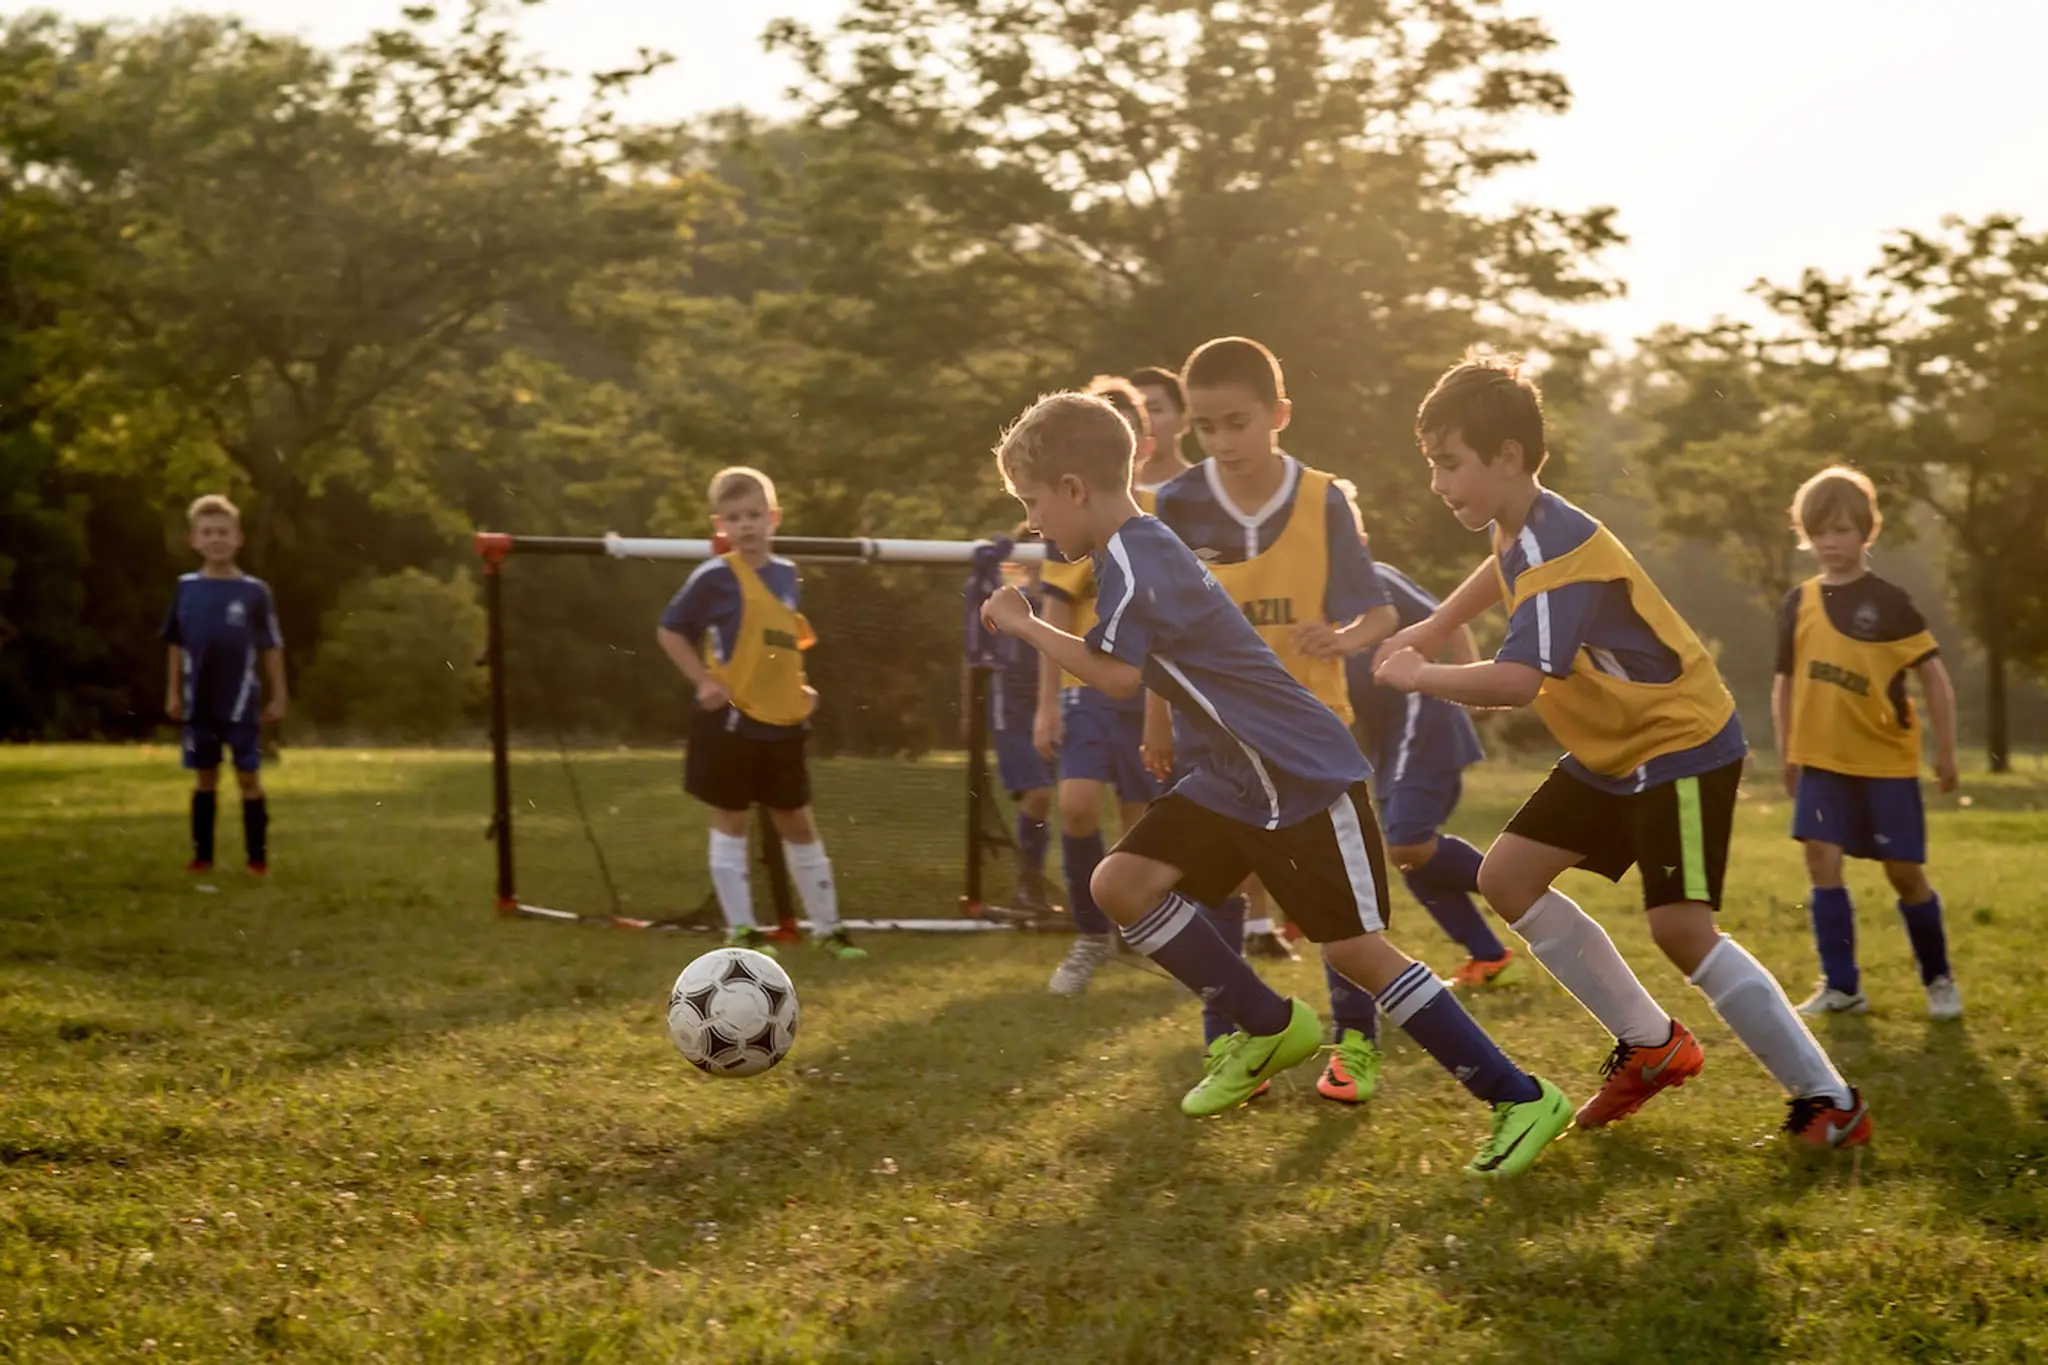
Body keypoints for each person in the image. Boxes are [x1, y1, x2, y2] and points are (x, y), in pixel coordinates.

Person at [983, 389, 1572, 1175]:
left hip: (1297, 775)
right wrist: (1164, 726)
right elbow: (1163, 664)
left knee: (1359, 952)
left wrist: (1026, 624)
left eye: (1032, 503)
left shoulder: (1137, 555)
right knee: (1120, 882)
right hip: (1229, 779)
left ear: (1072, 488)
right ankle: (1265, 1023)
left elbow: (1117, 675)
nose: (1032, 524)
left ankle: (1519, 1095)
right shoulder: (1133, 552)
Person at [1374, 353, 1871, 1150]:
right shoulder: (1523, 523)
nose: (1438, 481)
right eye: (1432, 462)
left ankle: (1829, 1101)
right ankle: (1652, 1045)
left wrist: (1419, 671)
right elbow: (1500, 569)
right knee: (1506, 875)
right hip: (1614, 751)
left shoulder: (1557, 549)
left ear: (1506, 457)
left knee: (1681, 928)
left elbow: (1516, 683)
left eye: (1448, 463)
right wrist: (1433, 623)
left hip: (1681, 745)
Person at [1148, 336, 1398, 1103]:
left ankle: (1355, 1042)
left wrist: (1346, 636)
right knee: (1207, 889)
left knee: (1328, 907)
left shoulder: (1324, 497)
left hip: (1309, 738)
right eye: (1207, 427)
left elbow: (1379, 609)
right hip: (1213, 738)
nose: (1222, 442)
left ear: (1278, 415)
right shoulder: (1176, 504)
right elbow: (1158, 627)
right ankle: (1233, 1042)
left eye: (1237, 423)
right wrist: (1157, 723)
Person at [1774, 465, 1962, 1020]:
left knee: (1902, 871)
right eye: (1820, 532)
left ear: (1866, 532)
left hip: (1885, 761)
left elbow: (1934, 677)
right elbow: (1784, 683)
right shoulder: (1798, 603)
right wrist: (1788, 751)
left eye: (1842, 530)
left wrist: (1945, 752)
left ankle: (1939, 978)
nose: (1831, 543)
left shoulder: (1891, 602)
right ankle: (1842, 986)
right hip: (1822, 762)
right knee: (1820, 859)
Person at [656, 466, 866, 961]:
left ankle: (829, 929)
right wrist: (704, 681)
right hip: (732, 721)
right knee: (731, 819)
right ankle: (742, 930)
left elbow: (780, 643)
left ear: (772, 517)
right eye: (733, 518)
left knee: (797, 821)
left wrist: (800, 688)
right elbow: (670, 631)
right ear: (719, 526)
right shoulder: (714, 576)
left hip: (783, 724)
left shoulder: (787, 575)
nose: (745, 525)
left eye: (753, 515)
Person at [1037, 377, 1189, 994]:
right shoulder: (1074, 520)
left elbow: (1167, 630)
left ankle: (1148, 937)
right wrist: (1046, 702)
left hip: (1145, 696)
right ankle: (1089, 932)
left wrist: (1161, 708)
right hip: (1086, 692)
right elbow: (1053, 611)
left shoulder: (1155, 521)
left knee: (1137, 826)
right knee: (1074, 805)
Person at [1346, 559, 1521, 991]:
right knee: (1408, 856)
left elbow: (1450, 621)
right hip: (1387, 744)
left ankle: (1517, 885)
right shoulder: (1296, 597)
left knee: (1408, 840)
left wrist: (1470, 687)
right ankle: (1488, 957)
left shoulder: (1372, 576)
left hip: (1421, 722)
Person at [162, 494, 287, 875]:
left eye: (223, 532)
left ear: (238, 538)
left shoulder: (253, 591)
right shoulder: (186, 588)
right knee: (205, 777)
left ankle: (257, 858)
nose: (216, 539)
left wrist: (279, 694)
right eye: (208, 532)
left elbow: (271, 646)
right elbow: (176, 643)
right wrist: (172, 692)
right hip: (198, 699)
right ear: (194, 540)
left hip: (241, 701)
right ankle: (202, 857)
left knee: (248, 776)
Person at [975, 528, 1057, 912]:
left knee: (1062, 799)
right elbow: (975, 646)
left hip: (1051, 703)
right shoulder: (1007, 597)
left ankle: (1044, 886)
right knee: (1038, 794)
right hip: (1011, 710)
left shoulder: (1059, 598)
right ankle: (1029, 885)